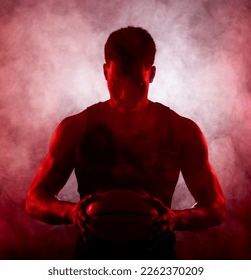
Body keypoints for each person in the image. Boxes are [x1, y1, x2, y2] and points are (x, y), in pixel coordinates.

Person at [25, 26, 226, 259]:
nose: (124, 95)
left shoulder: (181, 130)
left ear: (151, 74)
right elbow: (34, 200)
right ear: (105, 72)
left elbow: (216, 207)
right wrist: (71, 212)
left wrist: (175, 218)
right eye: (117, 82)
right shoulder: (76, 128)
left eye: (137, 84)